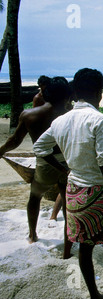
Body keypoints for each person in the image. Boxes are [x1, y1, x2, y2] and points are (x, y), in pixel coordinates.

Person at [33, 68, 103, 299]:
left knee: (85, 245)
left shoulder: (60, 121)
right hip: (99, 191)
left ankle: (95, 296)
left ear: (75, 91)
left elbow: (40, 148)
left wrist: (65, 168)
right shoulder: (99, 120)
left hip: (74, 192)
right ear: (100, 92)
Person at [0, 77, 73, 258]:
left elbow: (15, 141)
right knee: (67, 204)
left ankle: (32, 234)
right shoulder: (70, 115)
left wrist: (0, 150)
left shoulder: (30, 115)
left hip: (45, 163)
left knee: (35, 196)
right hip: (67, 162)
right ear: (66, 96)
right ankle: (68, 246)